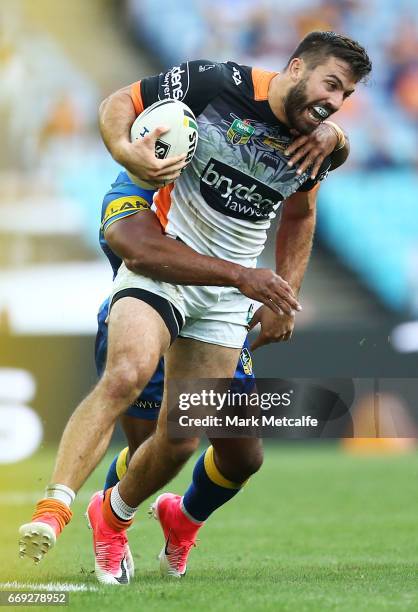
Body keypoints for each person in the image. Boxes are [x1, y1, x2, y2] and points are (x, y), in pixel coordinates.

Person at [19, 31, 372, 584]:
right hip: (169, 263)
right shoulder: (214, 84)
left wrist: (286, 293)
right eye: (330, 84)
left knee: (187, 440)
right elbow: (120, 103)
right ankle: (53, 509)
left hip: (229, 300)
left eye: (345, 94)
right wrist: (126, 150)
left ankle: (114, 512)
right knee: (127, 375)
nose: (334, 100)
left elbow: (302, 215)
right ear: (297, 66)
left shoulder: (316, 143)